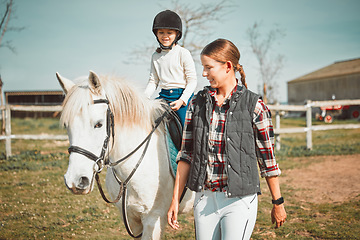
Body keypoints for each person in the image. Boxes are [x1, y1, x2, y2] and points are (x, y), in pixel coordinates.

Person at [167, 38, 287, 240]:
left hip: (239, 201)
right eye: (203, 67)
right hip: (204, 199)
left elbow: (268, 159)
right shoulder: (197, 103)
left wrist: (278, 202)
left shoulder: (255, 106)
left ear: (228, 67)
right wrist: (174, 201)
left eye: (208, 67)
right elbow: (186, 155)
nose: (204, 74)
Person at [144, 10, 197, 126]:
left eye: (169, 33)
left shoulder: (183, 53)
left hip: (182, 97)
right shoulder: (155, 56)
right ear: (156, 34)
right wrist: (144, 98)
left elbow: (192, 80)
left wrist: (182, 100)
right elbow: (153, 81)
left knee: (185, 127)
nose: (165, 36)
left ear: (177, 34)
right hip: (163, 97)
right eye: (161, 32)